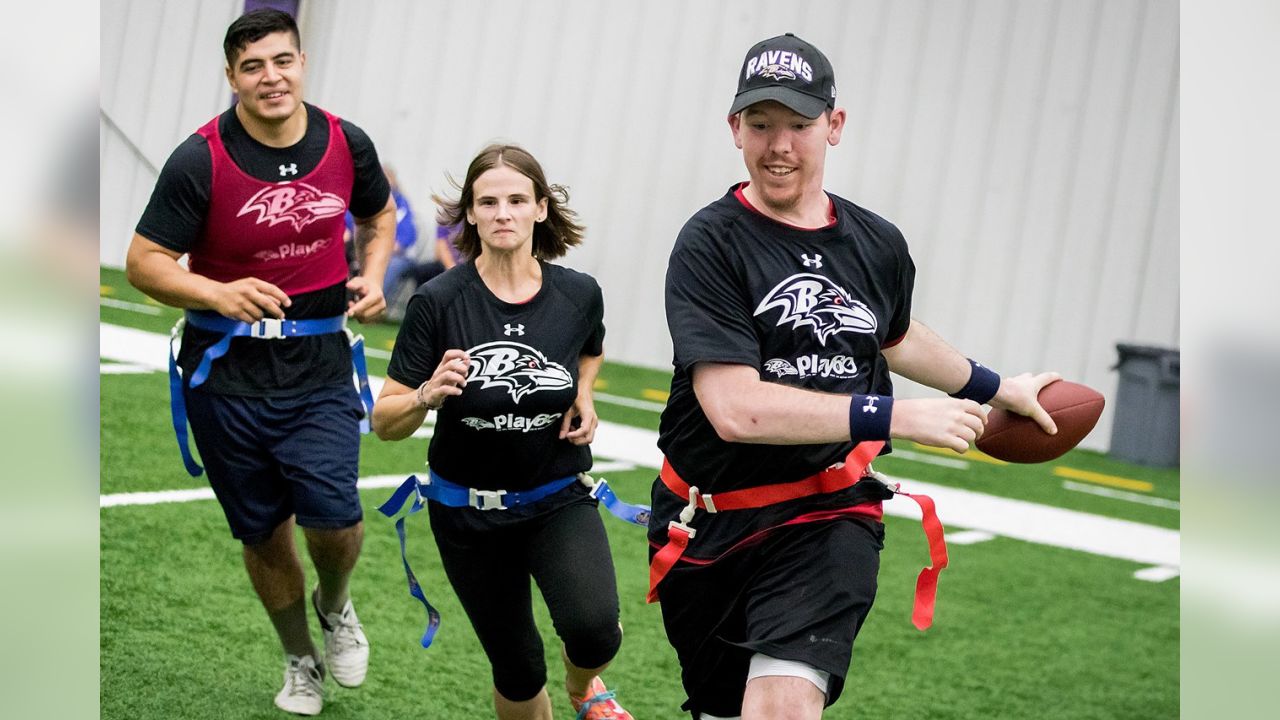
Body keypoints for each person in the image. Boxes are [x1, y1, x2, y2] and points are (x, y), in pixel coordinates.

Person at [648, 33, 1062, 720]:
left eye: (799, 125)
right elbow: (735, 411)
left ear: (833, 126)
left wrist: (993, 388)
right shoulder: (711, 242)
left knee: (781, 707)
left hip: (827, 512)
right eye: (760, 124)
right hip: (707, 521)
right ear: (734, 130)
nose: (779, 145)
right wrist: (894, 416)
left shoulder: (876, 243)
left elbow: (893, 335)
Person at [124, 9, 394, 716]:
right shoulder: (201, 158)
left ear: (302, 62)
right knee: (264, 533)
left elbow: (380, 214)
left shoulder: (346, 141)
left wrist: (374, 271)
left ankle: (335, 608)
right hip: (224, 376)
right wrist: (215, 289)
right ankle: (300, 660)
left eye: (282, 61)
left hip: (321, 368)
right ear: (232, 77)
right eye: (253, 66)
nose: (270, 77)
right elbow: (143, 263)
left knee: (334, 518)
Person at [371, 143, 633, 720]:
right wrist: (424, 394)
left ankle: (583, 685)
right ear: (470, 214)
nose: (503, 213)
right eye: (487, 202)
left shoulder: (578, 294)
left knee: (595, 633)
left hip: (556, 498)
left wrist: (583, 392)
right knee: (516, 668)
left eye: (517, 199)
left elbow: (590, 349)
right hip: (468, 514)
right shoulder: (439, 302)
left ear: (541, 208)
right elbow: (384, 420)